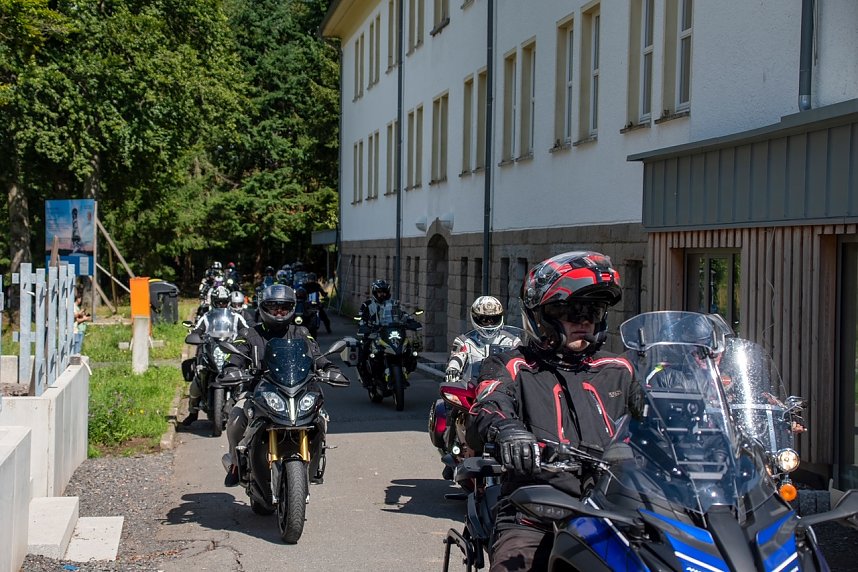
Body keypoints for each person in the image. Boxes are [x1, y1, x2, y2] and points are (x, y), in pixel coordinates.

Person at [465, 251, 636, 572]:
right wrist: (508, 431)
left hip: (618, 512)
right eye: (570, 311)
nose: (583, 320)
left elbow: (660, 419)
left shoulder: (621, 368)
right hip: (536, 514)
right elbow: (488, 405)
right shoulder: (512, 366)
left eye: (593, 311)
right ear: (541, 314)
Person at [221, 283, 347, 486]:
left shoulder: (301, 332)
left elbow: (316, 354)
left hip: (297, 390)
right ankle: (236, 465)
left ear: (292, 308)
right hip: (258, 391)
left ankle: (316, 459)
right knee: (236, 418)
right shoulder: (249, 334)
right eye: (273, 308)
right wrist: (231, 369)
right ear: (263, 308)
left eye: (285, 308)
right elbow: (235, 356)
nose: (279, 312)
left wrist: (330, 368)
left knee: (321, 417)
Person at [181, 287, 249, 426]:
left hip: (230, 350)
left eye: (224, 302)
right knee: (198, 378)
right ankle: (192, 412)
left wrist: (246, 337)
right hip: (212, 349)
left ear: (228, 302)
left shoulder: (236, 317)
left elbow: (247, 330)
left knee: (245, 378)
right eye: (219, 302)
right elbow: (198, 330)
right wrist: (195, 335)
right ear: (213, 302)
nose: (221, 305)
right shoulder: (206, 317)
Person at [445, 296, 522, 384]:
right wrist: (453, 369)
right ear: (475, 318)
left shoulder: (512, 341)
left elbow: (521, 362)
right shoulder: (464, 341)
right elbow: (457, 357)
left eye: (493, 319)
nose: (489, 324)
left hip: (505, 387)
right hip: (472, 386)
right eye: (484, 320)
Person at [356, 279, 393, 386]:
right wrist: (364, 326)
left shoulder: (392, 304)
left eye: (384, 292)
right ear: (375, 292)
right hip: (372, 334)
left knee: (406, 348)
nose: (382, 294)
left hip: (388, 334)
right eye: (380, 292)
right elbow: (361, 318)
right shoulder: (367, 305)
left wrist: (408, 320)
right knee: (363, 352)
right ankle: (366, 379)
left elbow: (401, 315)